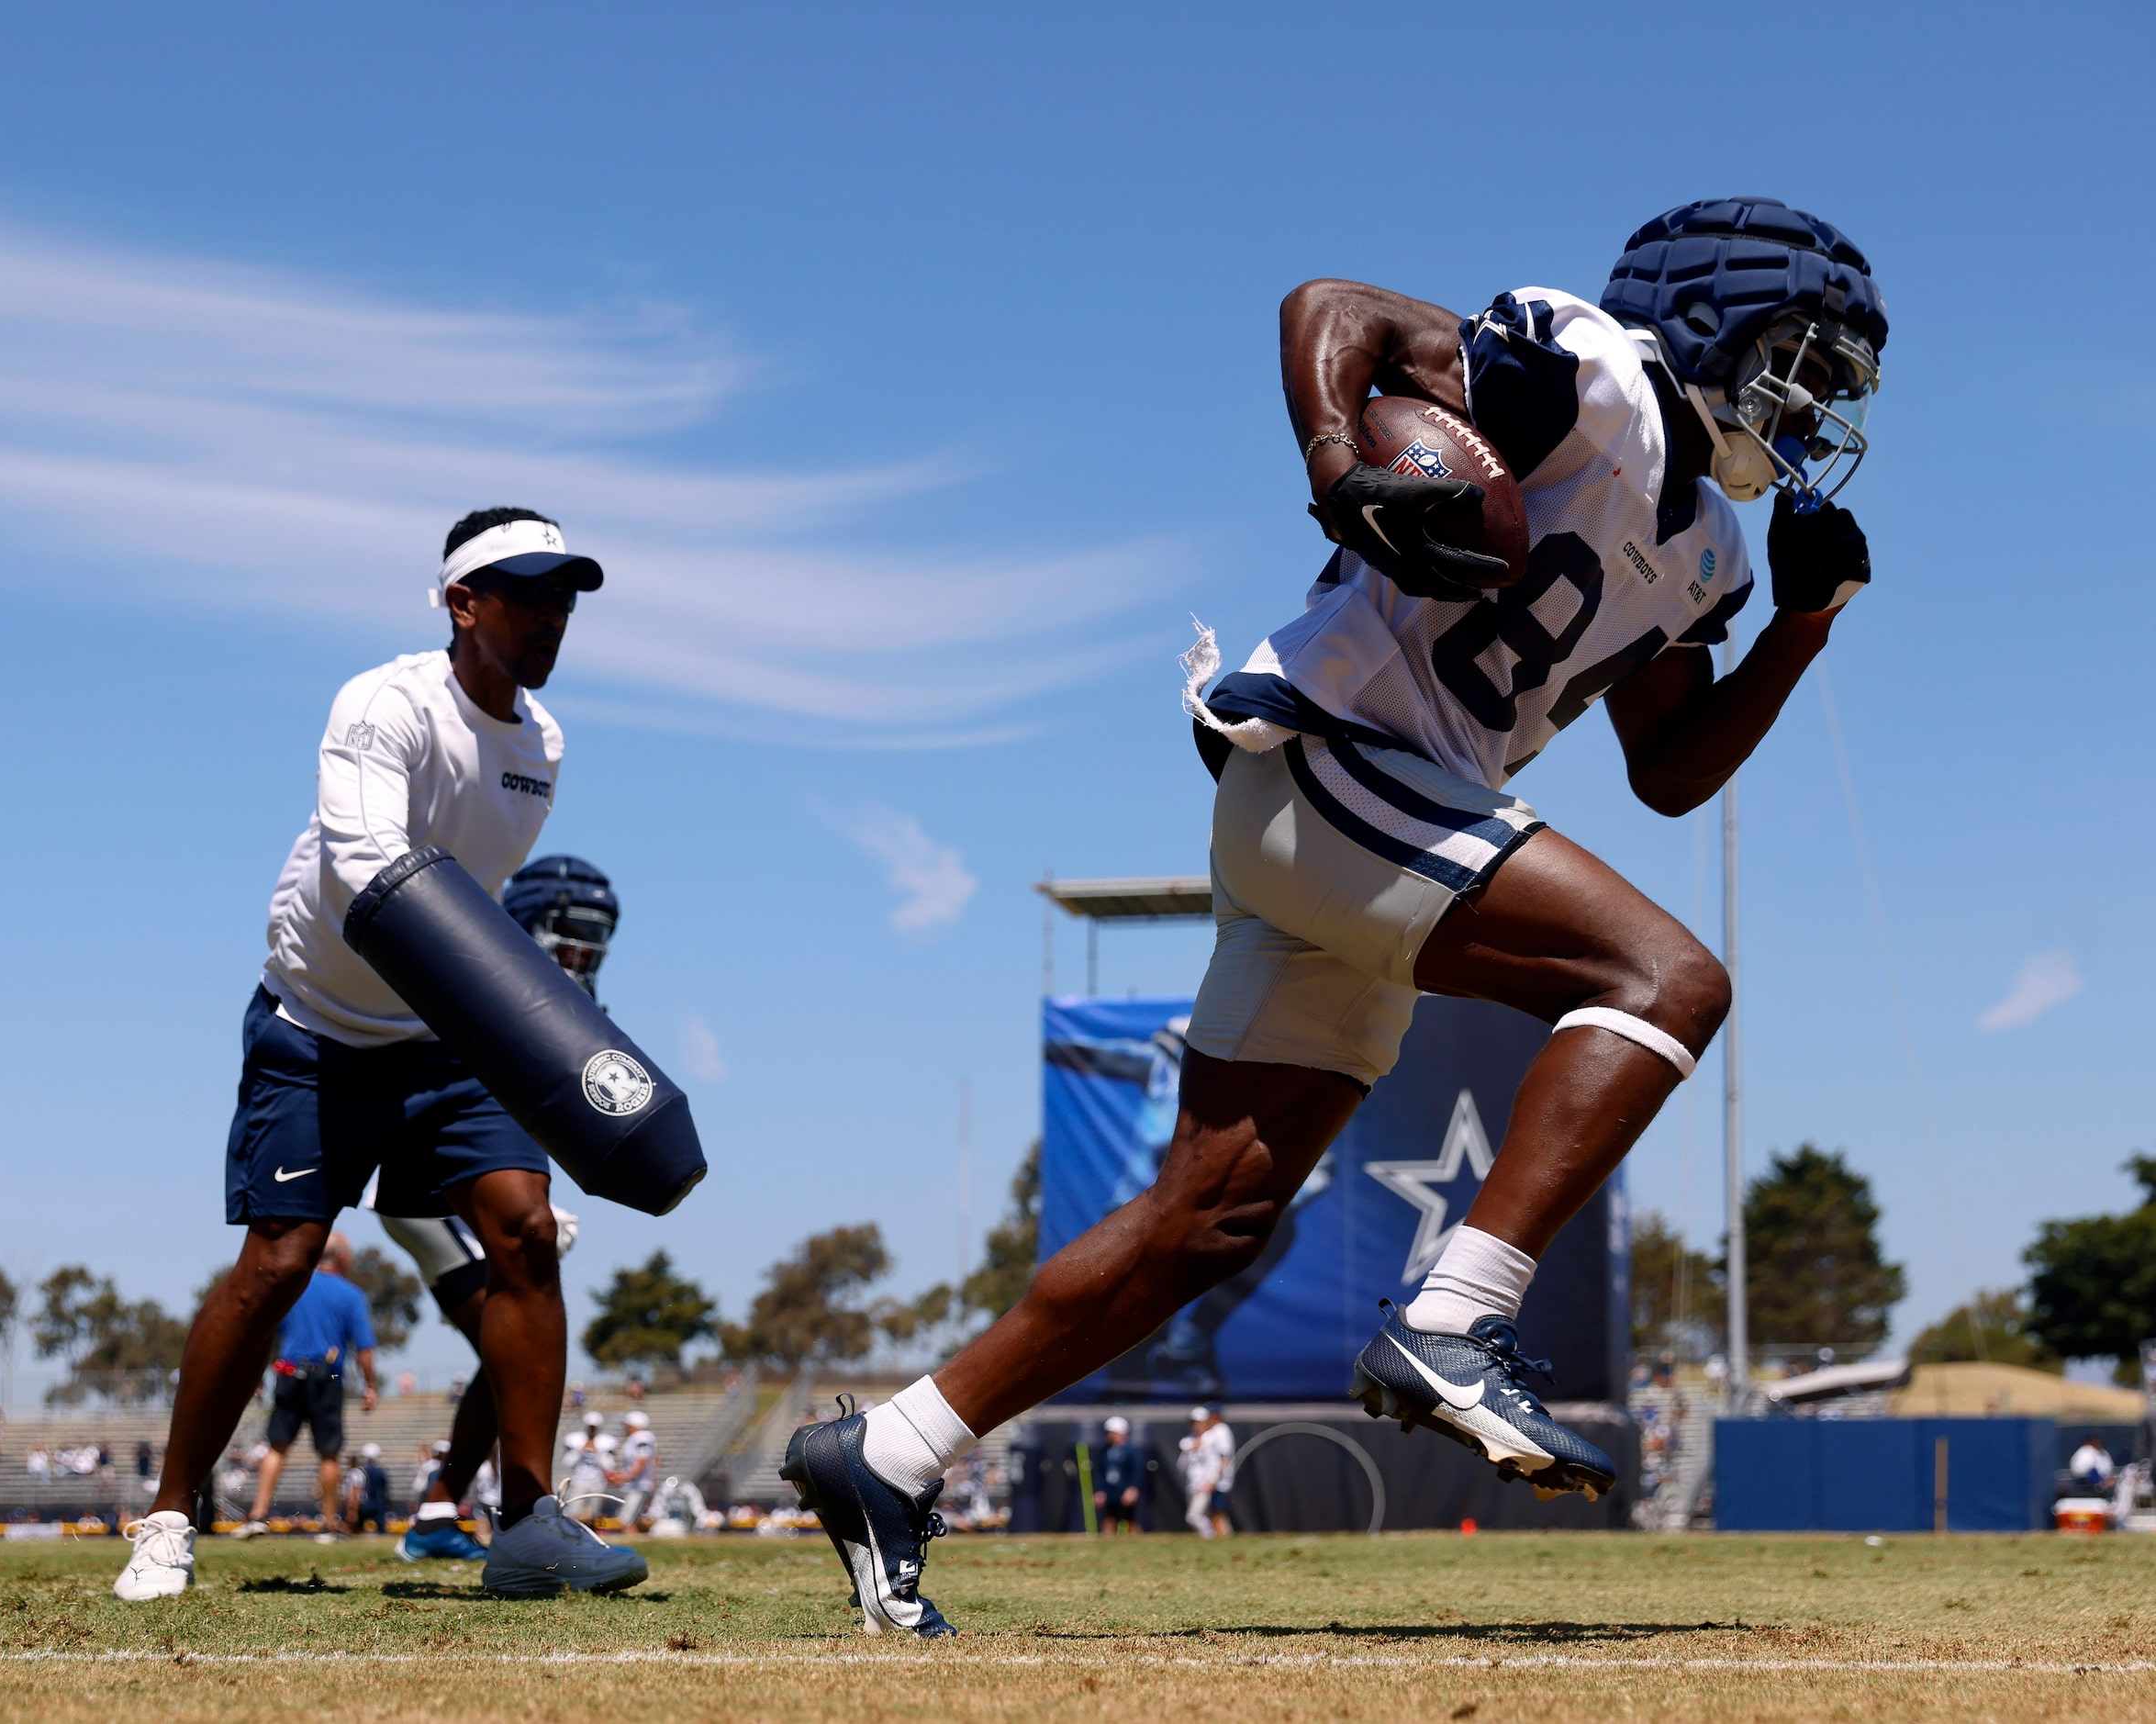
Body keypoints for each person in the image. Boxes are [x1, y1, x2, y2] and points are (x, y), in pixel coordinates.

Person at [787, 197, 1887, 1635]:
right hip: (1331, 757)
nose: (1809, 405)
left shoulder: (1712, 551)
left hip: (1378, 812)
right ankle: (1451, 1318)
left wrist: (1798, 632)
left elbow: (1668, 771)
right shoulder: (1590, 372)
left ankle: (888, 1450)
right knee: (1663, 979)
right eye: (1802, 359)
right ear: (1711, 316)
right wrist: (1333, 466)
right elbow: (1331, 308)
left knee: (1207, 1217)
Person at [116, 507, 647, 1602]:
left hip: (446, 1037)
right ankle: (168, 1515)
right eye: (528, 593)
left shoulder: (541, 745)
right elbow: (366, 863)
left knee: (527, 1234)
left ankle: (530, 1522)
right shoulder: (385, 702)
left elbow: (480, 893)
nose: (553, 616)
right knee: (276, 1266)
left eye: (566, 599)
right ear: (463, 603)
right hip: (319, 1030)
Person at [377, 854, 613, 1562]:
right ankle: (480, 1510)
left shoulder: (562, 1004)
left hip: (457, 1196)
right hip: (426, 1199)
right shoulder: (467, 984)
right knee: (511, 1346)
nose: (578, 958)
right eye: (567, 940)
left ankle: (440, 1510)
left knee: (508, 1346)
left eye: (589, 946)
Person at [234, 1230, 379, 1537]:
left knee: (277, 1446)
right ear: (340, 1257)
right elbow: (364, 1348)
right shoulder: (350, 1294)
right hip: (328, 1376)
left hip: (287, 1372)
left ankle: (258, 1515)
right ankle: (329, 1522)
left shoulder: (294, 1288)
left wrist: (257, 1374)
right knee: (329, 1453)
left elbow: (265, 1333)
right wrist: (370, 1385)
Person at [1180, 1405, 1234, 1539]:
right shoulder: (1188, 1441)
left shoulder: (1218, 1433)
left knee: (1201, 1515)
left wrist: (1212, 1480)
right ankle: (1220, 1538)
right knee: (1212, 1514)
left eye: (1198, 1422)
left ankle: (1212, 1537)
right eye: (1193, 1422)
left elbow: (1222, 1459)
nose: (1195, 1425)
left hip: (1211, 1482)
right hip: (1196, 1484)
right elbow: (1182, 1465)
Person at [1092, 1417, 1143, 1534]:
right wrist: (1099, 1491)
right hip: (1110, 1491)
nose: (1110, 1436)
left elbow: (1136, 1471)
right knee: (1109, 1519)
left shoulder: (1131, 1451)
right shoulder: (1104, 1451)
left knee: (1130, 1520)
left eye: (1113, 1433)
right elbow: (1100, 1472)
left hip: (1125, 1490)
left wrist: (1132, 1488)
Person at [610, 1411, 659, 1529]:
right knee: (631, 1520)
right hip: (636, 1483)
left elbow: (641, 1462)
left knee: (625, 1520)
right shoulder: (641, 1438)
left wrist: (624, 1477)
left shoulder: (641, 1438)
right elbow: (656, 1460)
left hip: (638, 1485)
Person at [350, 1442, 391, 1534]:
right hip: (378, 1502)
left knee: (358, 1529)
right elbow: (385, 1489)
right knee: (381, 1530)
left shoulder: (360, 1471)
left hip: (364, 1504)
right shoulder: (381, 1471)